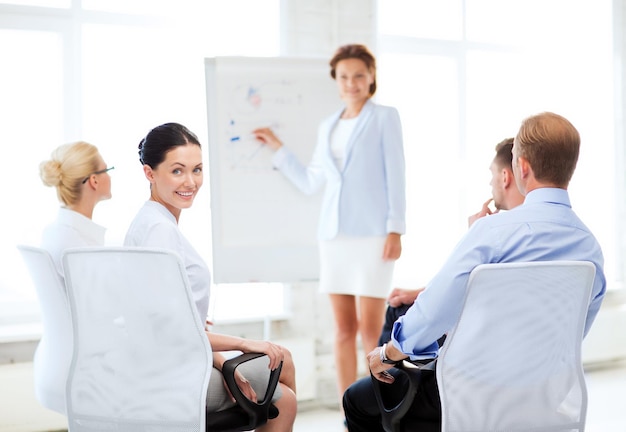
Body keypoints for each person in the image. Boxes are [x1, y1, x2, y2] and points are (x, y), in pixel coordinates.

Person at [343, 112, 607, 431]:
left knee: (356, 401)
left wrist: (387, 353)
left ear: (521, 167)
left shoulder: (491, 232)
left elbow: (434, 311)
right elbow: (573, 335)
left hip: (469, 395)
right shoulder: (591, 249)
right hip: (539, 397)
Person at [253, 44, 406, 412]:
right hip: (334, 237)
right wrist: (278, 147)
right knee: (342, 330)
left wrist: (395, 229)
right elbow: (311, 180)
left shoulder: (385, 117)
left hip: (372, 235)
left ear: (371, 77)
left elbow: (395, 174)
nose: (351, 83)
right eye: (344, 76)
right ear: (335, 81)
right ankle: (348, 410)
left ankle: (379, 407)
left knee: (372, 332)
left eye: (359, 75)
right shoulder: (329, 125)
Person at [124, 122, 296, 432]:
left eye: (197, 169)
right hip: (172, 380)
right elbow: (174, 333)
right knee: (284, 386)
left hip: (164, 366)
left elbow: (170, 325)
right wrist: (244, 344)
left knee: (279, 363)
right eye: (177, 171)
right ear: (149, 173)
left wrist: (220, 360)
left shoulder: (150, 221)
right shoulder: (160, 232)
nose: (190, 181)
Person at [378, 137, 525, 345]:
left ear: (505, 177)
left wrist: (474, 235)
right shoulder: (552, 236)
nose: (490, 183)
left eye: (491, 174)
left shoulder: (491, 232)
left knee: (396, 312)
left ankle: (382, 371)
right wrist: (422, 293)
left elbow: (449, 298)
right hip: (515, 344)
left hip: (475, 342)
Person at [37, 141, 113, 415]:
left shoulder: (55, 231)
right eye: (108, 169)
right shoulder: (77, 246)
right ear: (94, 180)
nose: (110, 176)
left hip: (58, 363)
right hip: (89, 372)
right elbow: (104, 317)